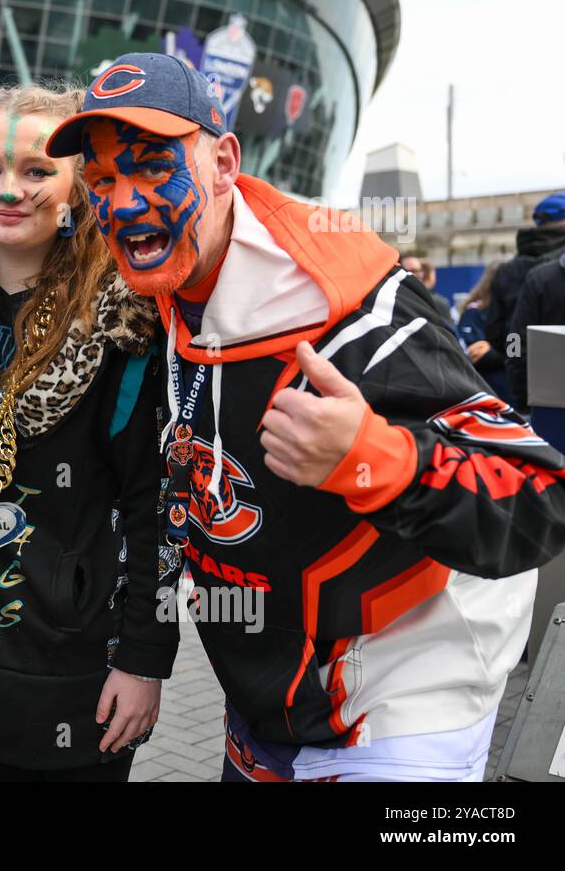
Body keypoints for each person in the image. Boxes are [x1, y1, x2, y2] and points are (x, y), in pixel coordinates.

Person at [47, 51, 565, 782]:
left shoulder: (348, 306)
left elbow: (538, 493)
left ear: (225, 163)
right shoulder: (161, 291)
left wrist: (375, 458)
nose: (125, 202)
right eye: (101, 180)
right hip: (264, 702)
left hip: (397, 704)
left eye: (153, 167)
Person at [0, 83, 166, 782]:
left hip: (79, 678)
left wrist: (144, 659)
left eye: (38, 170)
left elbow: (154, 507)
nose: (9, 190)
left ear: (77, 187)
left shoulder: (126, 322)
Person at [486, 192, 565, 380]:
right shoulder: (551, 271)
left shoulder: (506, 270)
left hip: (520, 382)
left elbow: (500, 336)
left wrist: (515, 366)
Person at [508, 249, 565, 412]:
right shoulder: (538, 279)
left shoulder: (538, 278)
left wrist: (520, 396)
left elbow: (514, 339)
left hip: (545, 401)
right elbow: (514, 340)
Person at [455, 262, 511, 403]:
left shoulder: (514, 311)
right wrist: (507, 351)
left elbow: (515, 350)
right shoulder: (474, 312)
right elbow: (476, 354)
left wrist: (502, 351)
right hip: (486, 389)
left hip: (512, 388)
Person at [400, 254, 455, 327]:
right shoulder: (394, 300)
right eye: (411, 271)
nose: (417, 275)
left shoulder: (437, 303)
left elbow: (449, 333)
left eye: (419, 270)